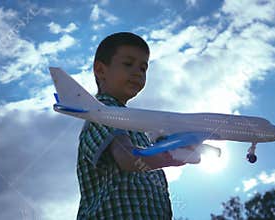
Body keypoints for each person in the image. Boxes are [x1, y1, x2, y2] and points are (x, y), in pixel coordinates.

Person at [76, 32, 199, 219]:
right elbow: (128, 158)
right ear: (100, 70)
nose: (138, 72)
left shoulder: (134, 124)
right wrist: (172, 155)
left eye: (143, 68)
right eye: (128, 64)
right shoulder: (103, 112)